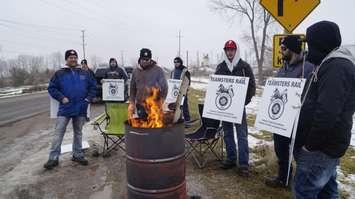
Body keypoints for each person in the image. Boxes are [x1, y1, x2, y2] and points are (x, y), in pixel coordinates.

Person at [294, 21, 355, 198]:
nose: (307, 49)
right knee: (327, 192)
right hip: (326, 147)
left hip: (320, 149)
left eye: (310, 44)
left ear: (320, 43)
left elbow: (327, 113)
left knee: (305, 191)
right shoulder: (329, 63)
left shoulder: (336, 67)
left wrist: (309, 146)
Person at [265, 35, 314, 188]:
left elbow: (312, 94)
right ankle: (283, 178)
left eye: (284, 48)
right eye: (281, 48)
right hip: (282, 118)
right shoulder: (283, 67)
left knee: (299, 153)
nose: (281, 51)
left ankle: (305, 183)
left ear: (292, 49)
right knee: (280, 148)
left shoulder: (308, 67)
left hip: (300, 119)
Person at [44, 49, 96, 170]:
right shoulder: (59, 73)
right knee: (58, 133)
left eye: (74, 57)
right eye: (70, 57)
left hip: (80, 108)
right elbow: (52, 88)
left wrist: (88, 99)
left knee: (78, 133)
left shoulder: (84, 73)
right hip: (65, 109)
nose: (73, 59)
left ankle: (77, 155)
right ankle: (53, 158)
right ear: (66, 59)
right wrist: (61, 98)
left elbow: (93, 87)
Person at [215, 40, 256, 177]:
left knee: (242, 135)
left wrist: (244, 101)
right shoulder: (220, 67)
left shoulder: (244, 67)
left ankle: (243, 164)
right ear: (225, 51)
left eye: (232, 49)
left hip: (238, 108)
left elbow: (252, 86)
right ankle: (231, 158)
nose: (229, 52)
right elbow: (215, 86)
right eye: (227, 49)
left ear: (236, 50)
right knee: (227, 133)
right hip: (224, 107)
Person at [128, 48, 168, 118]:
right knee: (143, 125)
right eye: (143, 59)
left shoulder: (158, 70)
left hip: (154, 105)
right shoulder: (135, 71)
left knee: (154, 125)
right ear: (140, 59)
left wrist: (161, 101)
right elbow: (132, 89)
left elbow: (165, 87)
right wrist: (132, 103)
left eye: (147, 60)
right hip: (140, 104)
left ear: (150, 59)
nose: (145, 61)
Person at [171, 57, 191, 123]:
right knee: (176, 105)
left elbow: (188, 81)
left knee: (183, 104)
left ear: (180, 62)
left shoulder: (185, 71)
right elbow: (171, 80)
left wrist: (186, 89)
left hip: (182, 91)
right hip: (175, 91)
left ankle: (187, 119)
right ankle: (178, 117)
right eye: (175, 62)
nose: (176, 64)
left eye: (177, 62)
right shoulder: (173, 71)